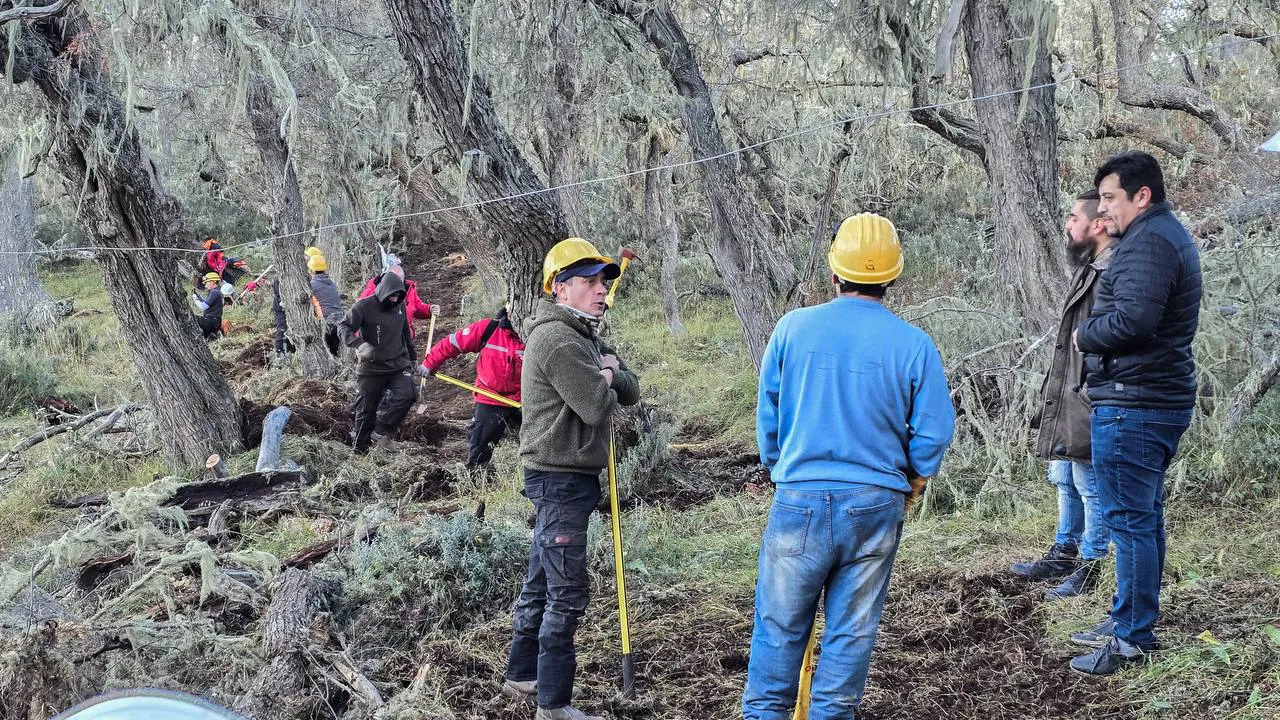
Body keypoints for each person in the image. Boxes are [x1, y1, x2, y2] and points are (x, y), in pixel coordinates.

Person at [742, 213, 955, 720]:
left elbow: (768, 415)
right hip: (876, 506)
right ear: (892, 278)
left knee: (778, 627)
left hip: (799, 499)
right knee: (852, 632)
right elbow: (934, 430)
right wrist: (914, 478)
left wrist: (782, 468)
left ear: (833, 272)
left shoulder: (791, 329)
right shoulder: (914, 345)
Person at [1069, 151, 1201, 675]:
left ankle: (1131, 639)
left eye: (1109, 198)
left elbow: (1135, 320)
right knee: (1140, 518)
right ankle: (1129, 617)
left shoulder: (1149, 242)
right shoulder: (1158, 237)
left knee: (1129, 519)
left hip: (1136, 403)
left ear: (1141, 195)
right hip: (1145, 399)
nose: (1102, 211)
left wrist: (1084, 336)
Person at [497, 238, 639, 720]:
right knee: (567, 591)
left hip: (565, 478)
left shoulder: (583, 336)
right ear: (560, 288)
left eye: (603, 282)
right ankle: (553, 705)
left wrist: (609, 368)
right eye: (590, 282)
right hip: (559, 478)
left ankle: (521, 674)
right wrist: (606, 375)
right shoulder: (558, 339)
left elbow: (630, 389)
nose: (601, 290)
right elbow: (598, 406)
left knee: (541, 580)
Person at [1011, 189, 1115, 600]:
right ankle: (1065, 551)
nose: (1068, 225)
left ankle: (1091, 564)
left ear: (1097, 223)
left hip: (1088, 395)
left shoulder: (1109, 271)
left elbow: (1109, 336)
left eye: (1074, 218)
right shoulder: (1089, 267)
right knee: (1064, 476)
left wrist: (1090, 389)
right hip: (1070, 393)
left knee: (1089, 483)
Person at [420, 307, 524, 468]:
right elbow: (452, 342)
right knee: (480, 448)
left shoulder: (534, 335)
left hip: (525, 400)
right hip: (491, 397)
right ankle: (477, 480)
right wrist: (429, 363)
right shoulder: (489, 329)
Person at [338, 272, 417, 455]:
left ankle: (381, 430)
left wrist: (412, 357)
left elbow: (405, 333)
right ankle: (360, 449)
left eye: (399, 296)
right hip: (371, 367)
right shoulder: (364, 306)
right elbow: (343, 327)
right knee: (366, 409)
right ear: (383, 291)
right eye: (392, 295)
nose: (395, 298)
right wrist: (358, 344)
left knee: (408, 395)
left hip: (398, 364)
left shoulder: (400, 307)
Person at [360, 253, 437, 336]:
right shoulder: (371, 293)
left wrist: (429, 310)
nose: (398, 284)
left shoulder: (408, 289)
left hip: (403, 339)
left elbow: (416, 307)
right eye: (395, 280)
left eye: (400, 279)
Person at [307, 248, 344, 356]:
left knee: (326, 354)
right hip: (339, 320)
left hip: (326, 322)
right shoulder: (332, 283)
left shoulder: (311, 285)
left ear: (311, 270)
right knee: (335, 353)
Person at [192, 272, 225, 340]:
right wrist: (198, 297)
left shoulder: (214, 292)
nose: (205, 285)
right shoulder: (215, 292)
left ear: (212, 282)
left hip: (212, 321)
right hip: (213, 321)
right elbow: (206, 303)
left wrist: (195, 299)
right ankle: (212, 336)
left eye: (206, 283)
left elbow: (203, 306)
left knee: (193, 318)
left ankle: (213, 334)